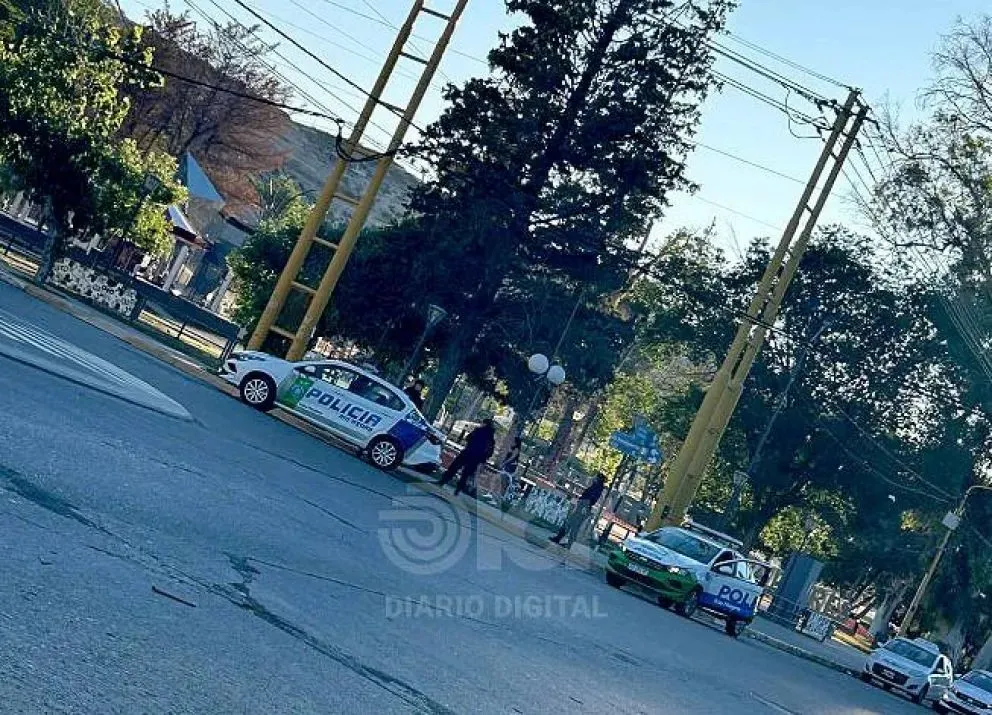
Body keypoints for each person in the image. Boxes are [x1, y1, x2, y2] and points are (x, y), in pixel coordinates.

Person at [437, 418, 496, 495]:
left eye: (482, 423)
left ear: (485, 424)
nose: (481, 424)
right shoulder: (491, 437)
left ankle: (443, 481)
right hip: (476, 458)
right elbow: (489, 451)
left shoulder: (478, 431)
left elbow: (468, 438)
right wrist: (483, 458)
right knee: (466, 474)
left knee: (454, 467)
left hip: (468, 452)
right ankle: (458, 490)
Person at [550, 473, 607, 548]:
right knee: (571, 524)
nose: (593, 478)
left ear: (598, 478)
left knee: (572, 524)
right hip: (583, 505)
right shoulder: (596, 486)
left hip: (584, 505)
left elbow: (591, 498)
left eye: (595, 477)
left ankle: (565, 542)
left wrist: (585, 506)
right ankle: (562, 540)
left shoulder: (597, 487)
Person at [498, 435, 522, 500]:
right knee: (502, 479)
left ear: (516, 443)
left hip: (511, 466)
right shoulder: (511, 447)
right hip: (507, 465)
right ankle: (500, 494)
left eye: (513, 441)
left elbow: (511, 458)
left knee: (505, 480)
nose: (512, 442)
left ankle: (502, 495)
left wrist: (504, 463)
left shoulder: (516, 449)